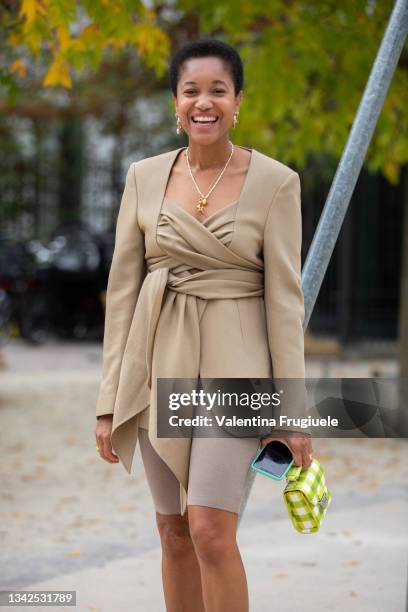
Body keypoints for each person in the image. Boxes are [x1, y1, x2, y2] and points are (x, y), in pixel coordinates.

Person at [94, 38, 314, 612]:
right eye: (191, 90)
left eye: (218, 89)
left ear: (238, 100)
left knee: (211, 532)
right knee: (173, 534)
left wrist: (291, 411)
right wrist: (107, 401)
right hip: (154, 365)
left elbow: (285, 305)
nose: (204, 102)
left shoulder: (276, 183)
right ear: (175, 102)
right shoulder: (142, 177)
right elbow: (121, 294)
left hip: (237, 376)